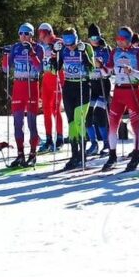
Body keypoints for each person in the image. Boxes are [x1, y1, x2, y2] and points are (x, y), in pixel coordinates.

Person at [102, 27, 139, 171]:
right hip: (118, 92)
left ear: (128, 40)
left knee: (135, 125)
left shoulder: (138, 52)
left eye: (122, 39)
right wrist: (100, 66)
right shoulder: (115, 52)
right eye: (118, 39)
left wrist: (132, 71)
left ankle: (136, 154)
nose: (119, 42)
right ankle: (112, 155)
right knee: (113, 124)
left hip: (132, 90)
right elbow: (107, 72)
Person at [49, 28, 94, 170]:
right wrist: (54, 54)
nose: (69, 45)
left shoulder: (86, 47)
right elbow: (54, 70)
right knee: (72, 123)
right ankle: (74, 155)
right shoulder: (63, 49)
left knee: (79, 121)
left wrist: (83, 53)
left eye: (71, 41)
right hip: (68, 86)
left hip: (83, 85)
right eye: (66, 41)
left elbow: (92, 68)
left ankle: (83, 155)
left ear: (76, 38)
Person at [1, 23, 43, 167]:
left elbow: (40, 68)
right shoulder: (15, 47)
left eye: (26, 33)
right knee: (17, 122)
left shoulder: (38, 48)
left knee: (32, 122)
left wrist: (32, 53)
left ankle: (33, 154)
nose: (23, 36)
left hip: (32, 85)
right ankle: (20, 154)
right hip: (18, 86)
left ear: (32, 35)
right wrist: (6, 55)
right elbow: (5, 69)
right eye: (21, 33)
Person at [36, 23, 65, 152]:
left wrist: (57, 50)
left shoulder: (58, 42)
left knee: (55, 109)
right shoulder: (42, 45)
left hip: (57, 78)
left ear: (48, 32)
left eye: (42, 33)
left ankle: (60, 138)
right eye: (39, 33)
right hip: (46, 78)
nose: (40, 36)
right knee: (46, 109)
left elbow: (64, 56)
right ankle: (48, 139)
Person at [85, 24, 112, 156]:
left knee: (100, 114)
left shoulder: (105, 49)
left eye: (97, 37)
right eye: (92, 38)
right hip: (92, 85)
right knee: (87, 115)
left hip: (103, 84)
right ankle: (93, 143)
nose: (94, 40)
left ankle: (107, 143)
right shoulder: (86, 49)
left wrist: (100, 65)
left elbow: (109, 69)